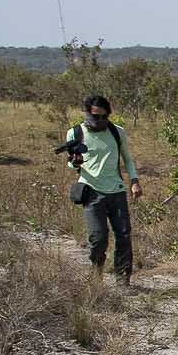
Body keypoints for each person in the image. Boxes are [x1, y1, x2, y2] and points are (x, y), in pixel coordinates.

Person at [61, 95, 141, 283]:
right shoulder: (75, 133)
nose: (100, 120)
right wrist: (75, 162)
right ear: (87, 113)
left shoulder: (117, 132)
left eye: (104, 117)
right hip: (91, 191)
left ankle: (123, 277)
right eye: (96, 116)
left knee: (123, 235)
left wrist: (135, 181)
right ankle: (96, 273)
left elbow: (127, 159)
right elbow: (71, 165)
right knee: (98, 238)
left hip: (117, 192)